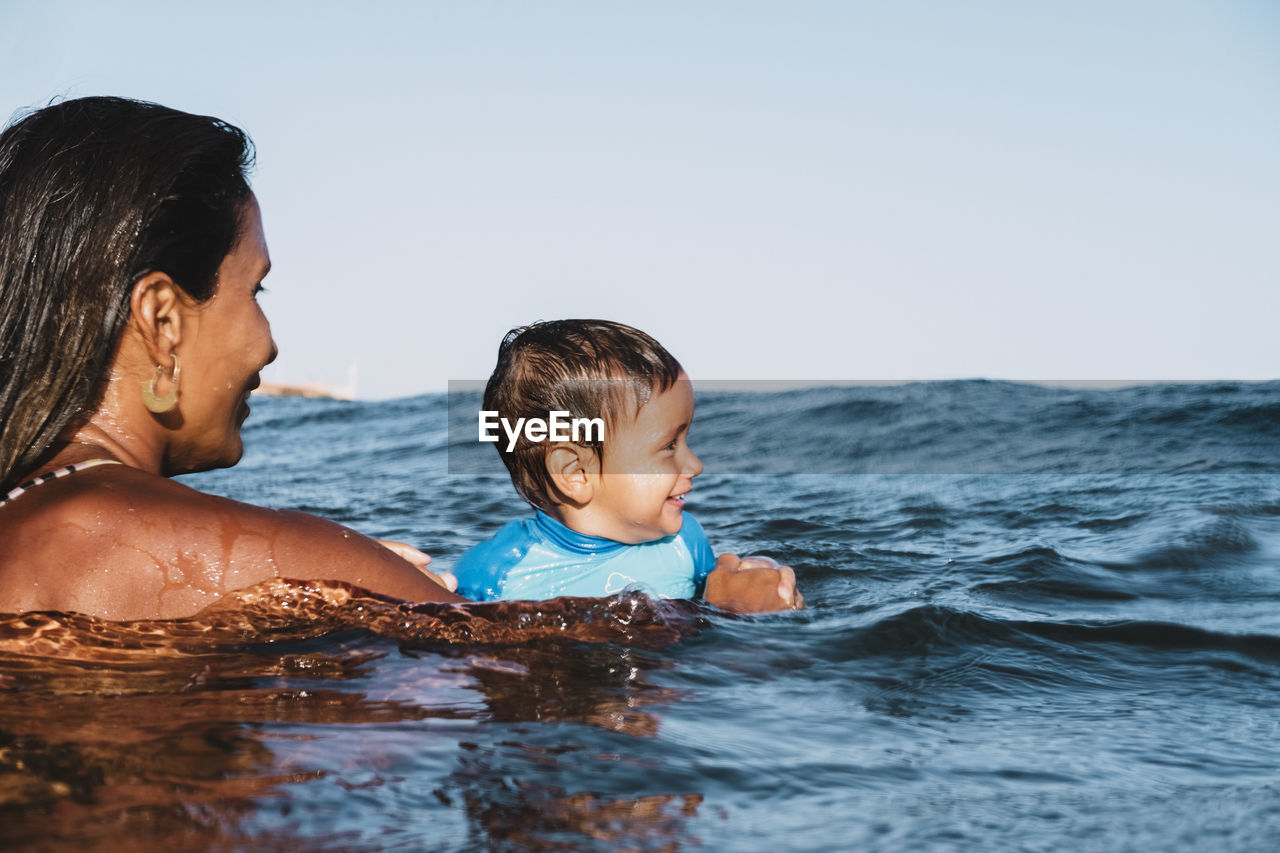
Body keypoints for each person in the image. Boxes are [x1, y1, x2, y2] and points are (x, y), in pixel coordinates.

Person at [0, 97, 797, 620]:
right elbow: (506, 683)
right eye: (257, 291)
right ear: (163, 322)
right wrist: (720, 609)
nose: (269, 343)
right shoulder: (254, 553)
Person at [452, 319, 804, 610]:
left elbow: (720, 598)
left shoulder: (685, 541)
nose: (695, 464)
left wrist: (763, 574)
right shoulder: (490, 577)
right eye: (669, 446)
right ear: (574, 473)